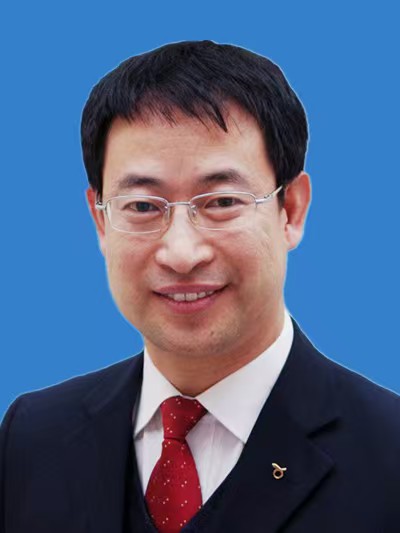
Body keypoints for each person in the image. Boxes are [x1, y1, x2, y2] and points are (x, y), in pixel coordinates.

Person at [1, 40, 400, 533]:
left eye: (222, 202)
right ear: (100, 221)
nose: (181, 253)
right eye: (143, 207)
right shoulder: (31, 437)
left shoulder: (389, 452)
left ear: (292, 209)